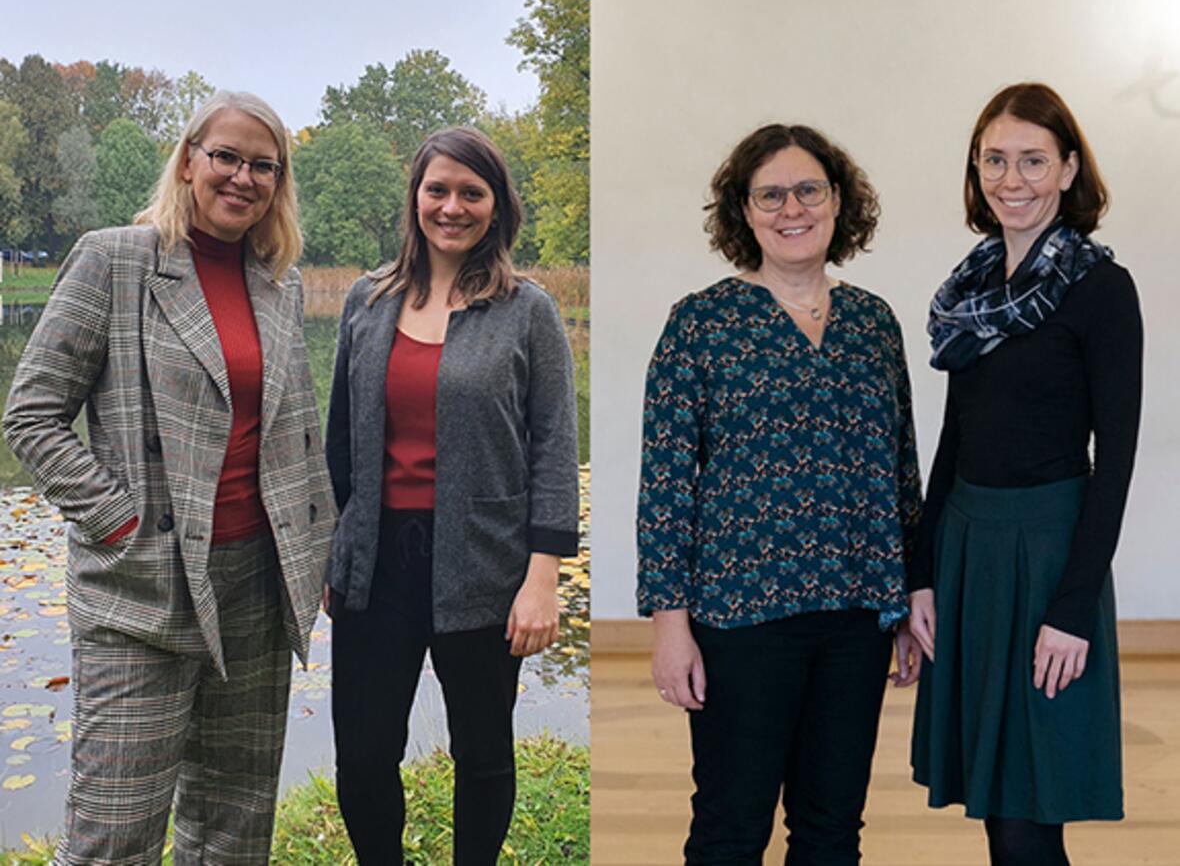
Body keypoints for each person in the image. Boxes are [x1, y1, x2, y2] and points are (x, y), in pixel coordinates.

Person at [2, 90, 335, 864]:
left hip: (258, 581)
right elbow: (32, 415)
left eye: (264, 165)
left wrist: (319, 548)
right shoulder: (115, 257)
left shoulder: (277, 285)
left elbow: (295, 435)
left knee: (234, 824)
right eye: (227, 156)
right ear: (188, 160)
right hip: (144, 591)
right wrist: (118, 520)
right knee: (112, 834)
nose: (243, 177)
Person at [637, 123, 922, 865]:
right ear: (744, 209)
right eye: (770, 193)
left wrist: (908, 594)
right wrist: (671, 625)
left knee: (832, 830)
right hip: (740, 616)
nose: (791, 207)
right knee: (732, 827)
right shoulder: (700, 324)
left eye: (809, 189)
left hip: (856, 615)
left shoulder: (873, 324)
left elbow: (901, 473)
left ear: (838, 201)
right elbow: (666, 486)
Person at [325, 125, 579, 865]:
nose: (452, 206)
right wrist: (331, 553)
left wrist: (542, 577)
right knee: (365, 755)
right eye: (438, 189)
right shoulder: (368, 301)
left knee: (483, 750)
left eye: (472, 192)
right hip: (376, 563)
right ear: (416, 198)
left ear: (496, 206)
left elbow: (555, 446)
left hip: (486, 564)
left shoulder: (527, 310)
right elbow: (341, 440)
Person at [908, 82, 1142, 866]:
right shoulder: (974, 292)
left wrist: (1073, 605)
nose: (1013, 180)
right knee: (993, 797)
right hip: (969, 551)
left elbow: (1116, 459)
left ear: (1070, 169)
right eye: (995, 160)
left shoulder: (1102, 289)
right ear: (976, 171)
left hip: (1048, 557)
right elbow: (954, 437)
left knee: (1029, 813)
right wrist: (923, 573)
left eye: (1033, 160)